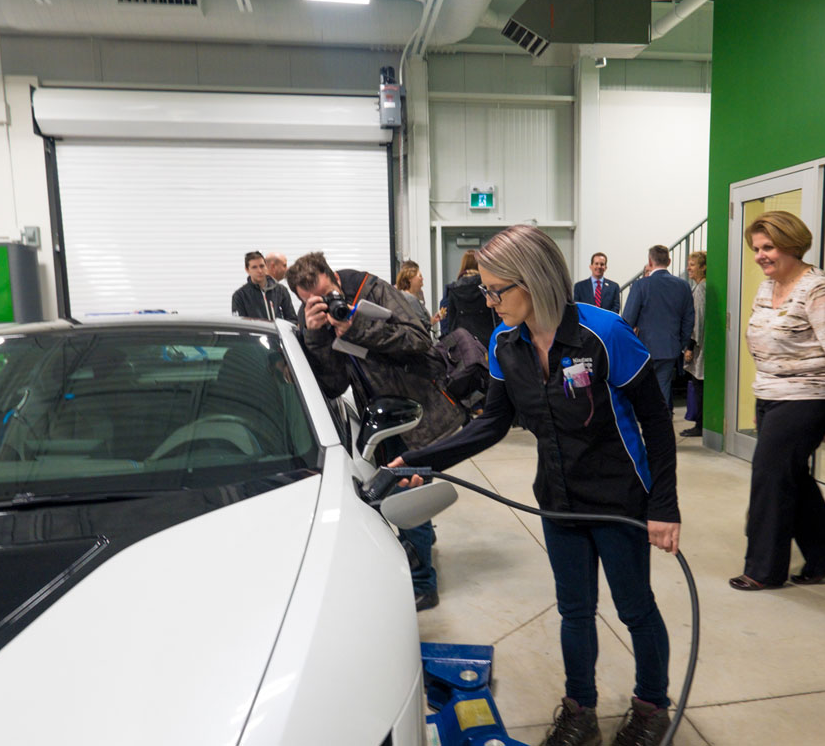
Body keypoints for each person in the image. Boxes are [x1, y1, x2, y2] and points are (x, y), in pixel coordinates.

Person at [389, 225, 679, 746]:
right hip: (558, 500)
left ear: (536, 281)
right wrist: (419, 458)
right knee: (573, 610)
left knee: (634, 608)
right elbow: (491, 424)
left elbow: (657, 424)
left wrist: (665, 506)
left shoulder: (605, 333)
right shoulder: (505, 343)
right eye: (486, 290)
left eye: (498, 291)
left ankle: (651, 706)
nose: (490, 301)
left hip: (618, 500)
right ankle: (580, 708)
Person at [287, 251, 464, 611]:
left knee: (403, 490)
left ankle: (422, 585)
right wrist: (317, 337)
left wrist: (357, 327)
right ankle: (421, 555)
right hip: (384, 416)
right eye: (315, 302)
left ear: (335, 276)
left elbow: (418, 339)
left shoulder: (373, 290)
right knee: (404, 491)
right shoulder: (314, 322)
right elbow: (334, 385)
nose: (328, 304)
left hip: (418, 407)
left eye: (328, 293)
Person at [729, 211, 825, 592]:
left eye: (769, 247)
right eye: (756, 248)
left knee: (769, 477)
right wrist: (759, 395)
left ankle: (764, 569)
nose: (760, 256)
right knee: (792, 477)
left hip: (809, 397)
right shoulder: (767, 287)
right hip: (771, 395)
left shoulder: (819, 291)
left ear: (792, 245)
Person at [622, 245, 694, 412]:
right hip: (670, 347)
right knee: (663, 389)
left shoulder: (640, 285)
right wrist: (680, 343)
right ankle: (664, 426)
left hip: (643, 347)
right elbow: (689, 320)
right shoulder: (683, 286)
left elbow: (627, 320)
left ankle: (649, 426)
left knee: (643, 389)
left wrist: (630, 343)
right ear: (669, 261)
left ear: (650, 262)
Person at [439, 250, 499, 349]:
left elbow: (447, 323)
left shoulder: (452, 290)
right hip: (489, 344)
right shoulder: (487, 288)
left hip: (462, 346)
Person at [681, 251, 707, 437]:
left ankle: (700, 424)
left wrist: (690, 346)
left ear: (703, 267)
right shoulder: (698, 287)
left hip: (699, 346)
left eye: (692, 264)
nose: (688, 268)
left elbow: (697, 320)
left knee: (699, 385)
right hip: (699, 344)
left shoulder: (701, 290)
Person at [231, 251, 296, 321]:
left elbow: (292, 319)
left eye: (262, 266)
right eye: (254, 267)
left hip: (278, 332)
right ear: (247, 270)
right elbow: (240, 324)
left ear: (266, 267)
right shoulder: (240, 296)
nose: (259, 271)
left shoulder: (281, 290)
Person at [394, 261, 433, 331]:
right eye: (420, 276)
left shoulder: (419, 294)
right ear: (410, 278)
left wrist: (433, 320)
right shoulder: (409, 299)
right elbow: (422, 324)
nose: (422, 279)